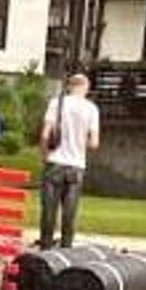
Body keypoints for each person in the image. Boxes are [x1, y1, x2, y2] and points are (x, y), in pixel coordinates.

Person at [38, 72, 102, 249]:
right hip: (76, 166)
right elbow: (94, 143)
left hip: (55, 162)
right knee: (69, 213)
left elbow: (45, 135)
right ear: (85, 87)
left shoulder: (56, 103)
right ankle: (66, 249)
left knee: (49, 211)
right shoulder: (91, 109)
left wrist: (44, 155)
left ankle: (46, 248)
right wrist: (81, 142)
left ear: (69, 86)